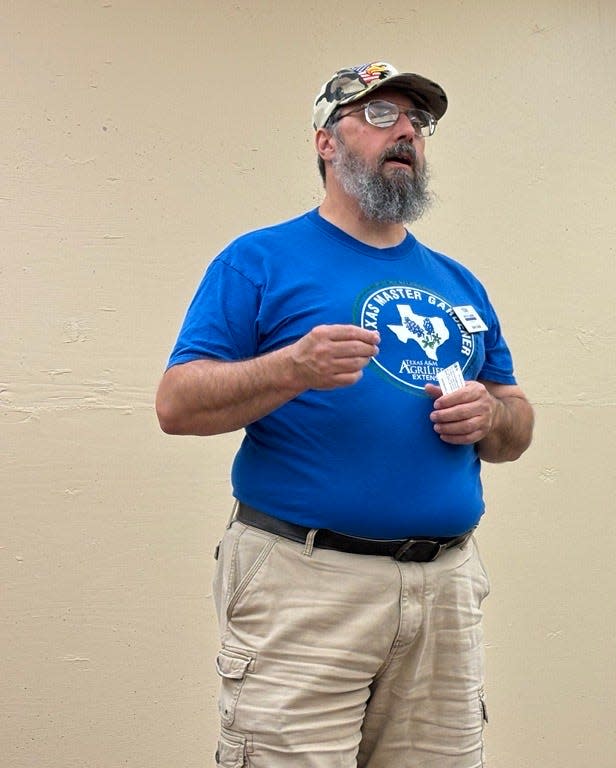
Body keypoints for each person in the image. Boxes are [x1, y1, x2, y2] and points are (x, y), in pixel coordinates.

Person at [156, 61, 534, 768]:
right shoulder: (259, 261)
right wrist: (292, 368)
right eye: (382, 117)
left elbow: (516, 422)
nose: (408, 135)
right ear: (326, 142)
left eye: (418, 123)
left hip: (444, 587)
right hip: (304, 584)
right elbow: (176, 405)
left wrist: (491, 416)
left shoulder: (456, 282)